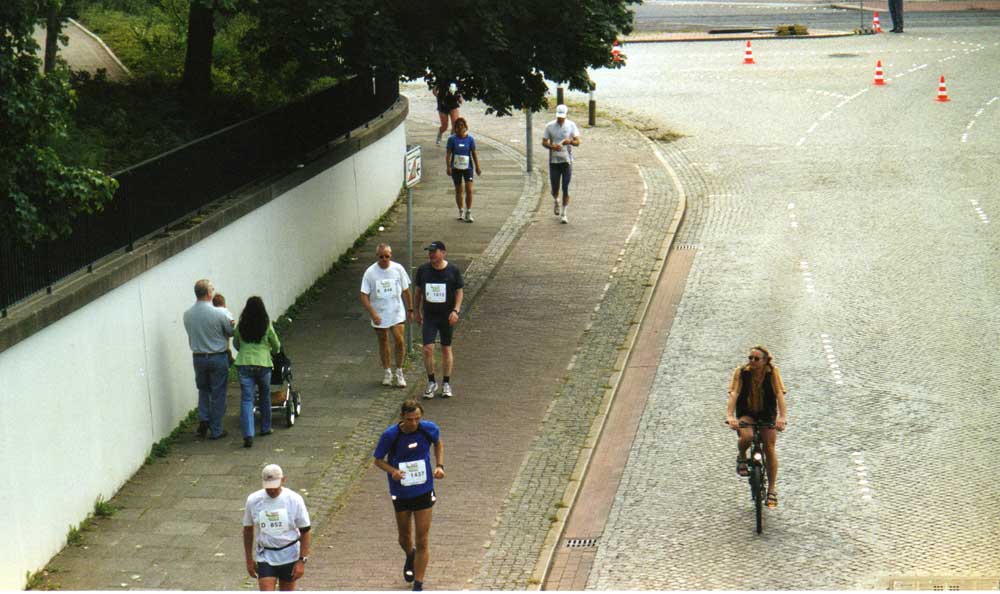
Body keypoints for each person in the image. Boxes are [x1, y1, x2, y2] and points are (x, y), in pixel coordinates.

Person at [373, 400, 445, 592]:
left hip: (423, 490)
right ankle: (410, 555)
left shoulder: (428, 429)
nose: (413, 423)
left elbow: (438, 443)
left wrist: (439, 465)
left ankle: (418, 584)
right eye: (410, 419)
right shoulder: (390, 435)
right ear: (402, 418)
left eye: (417, 419)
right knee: (404, 538)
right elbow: (378, 460)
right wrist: (392, 471)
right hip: (401, 492)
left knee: (422, 538)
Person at [725, 345, 788, 508]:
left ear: (765, 361)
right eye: (750, 358)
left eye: (756, 359)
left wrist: (782, 417)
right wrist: (730, 416)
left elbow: (779, 395)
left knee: (769, 447)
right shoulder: (741, 373)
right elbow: (734, 394)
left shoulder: (772, 373)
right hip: (747, 412)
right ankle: (741, 456)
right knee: (747, 436)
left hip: (767, 413)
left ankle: (772, 490)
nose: (752, 361)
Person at [243, 464, 311, 591]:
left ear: (283, 480)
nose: (272, 491)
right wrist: (249, 560)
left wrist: (302, 560)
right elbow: (247, 530)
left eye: (275, 486)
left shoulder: (294, 499)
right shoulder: (253, 500)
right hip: (265, 555)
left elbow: (305, 530)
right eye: (268, 488)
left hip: (289, 554)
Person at [183, 279, 234, 440]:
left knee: (203, 390)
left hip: (198, 357)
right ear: (208, 293)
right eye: (212, 289)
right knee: (218, 393)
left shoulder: (188, 314)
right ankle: (216, 429)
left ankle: (203, 419)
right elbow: (231, 331)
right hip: (217, 356)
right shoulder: (220, 313)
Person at [413, 241, 464, 399]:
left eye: (434, 252)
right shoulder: (423, 270)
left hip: (446, 316)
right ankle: (431, 381)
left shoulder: (453, 271)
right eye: (429, 252)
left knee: (445, 348)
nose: (431, 255)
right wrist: (416, 310)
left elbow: (459, 292)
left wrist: (456, 310)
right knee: (428, 348)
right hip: (430, 316)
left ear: (443, 253)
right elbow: (418, 292)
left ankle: (446, 382)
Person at [360, 243, 413, 388]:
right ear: (377, 256)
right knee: (383, 341)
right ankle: (387, 371)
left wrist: (410, 309)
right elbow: (364, 295)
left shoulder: (398, 269)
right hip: (379, 312)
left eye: (387, 256)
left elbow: (406, 290)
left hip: (396, 311)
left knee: (399, 340)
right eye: (381, 256)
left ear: (391, 255)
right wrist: (373, 313)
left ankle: (400, 371)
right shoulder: (370, 272)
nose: (384, 259)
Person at [234, 297, 282, 448]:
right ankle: (266, 427)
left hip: (245, 364)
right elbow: (276, 344)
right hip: (263, 364)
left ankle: (248, 434)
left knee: (247, 399)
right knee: (264, 395)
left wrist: (243, 351)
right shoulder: (266, 324)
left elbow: (236, 343)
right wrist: (273, 351)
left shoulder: (241, 325)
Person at [541, 104, 581, 224]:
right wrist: (552, 146)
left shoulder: (571, 125)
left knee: (566, 187)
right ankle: (556, 200)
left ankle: (564, 213)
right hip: (554, 161)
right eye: (559, 117)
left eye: (562, 117)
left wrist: (571, 141)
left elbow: (578, 141)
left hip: (567, 161)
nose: (560, 119)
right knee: (555, 187)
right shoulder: (550, 126)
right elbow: (544, 142)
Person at [445, 117, 482, 223]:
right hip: (456, 168)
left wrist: (478, 167)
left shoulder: (470, 139)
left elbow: (474, 153)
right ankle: (460, 210)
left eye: (462, 125)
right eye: (458, 125)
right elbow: (448, 154)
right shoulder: (452, 139)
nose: (460, 127)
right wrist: (448, 167)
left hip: (468, 168)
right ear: (455, 128)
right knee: (458, 190)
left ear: (465, 127)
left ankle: (468, 211)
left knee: (469, 190)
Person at [213, 293, 236, 366]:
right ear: (224, 304)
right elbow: (231, 325)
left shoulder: (212, 314)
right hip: (223, 349)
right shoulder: (225, 312)